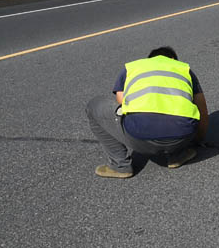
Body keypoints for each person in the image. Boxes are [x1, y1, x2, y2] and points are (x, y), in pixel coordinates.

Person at [87, 46, 209, 178]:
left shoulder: (132, 68)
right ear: (173, 59)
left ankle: (120, 165)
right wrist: (197, 140)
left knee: (94, 105)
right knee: (178, 115)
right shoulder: (184, 69)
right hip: (182, 137)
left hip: (140, 138)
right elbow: (202, 109)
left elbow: (122, 103)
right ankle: (178, 155)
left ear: (149, 59)